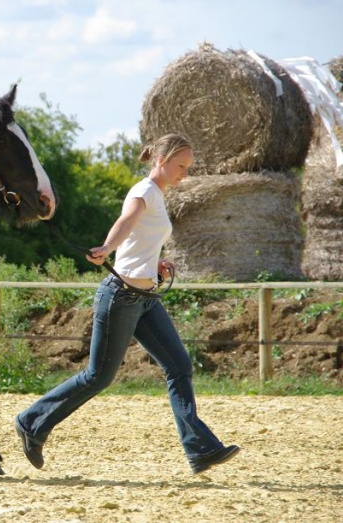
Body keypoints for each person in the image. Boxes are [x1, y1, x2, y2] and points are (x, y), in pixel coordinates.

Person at [14, 133, 239, 475]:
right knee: (98, 377)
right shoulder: (143, 191)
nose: (185, 173)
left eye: (188, 167)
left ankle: (201, 450)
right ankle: (32, 422)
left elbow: (141, 240)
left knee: (179, 366)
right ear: (161, 161)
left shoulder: (159, 196)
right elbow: (126, 223)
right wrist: (106, 248)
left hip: (145, 299)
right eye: (181, 166)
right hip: (120, 297)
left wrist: (156, 265)